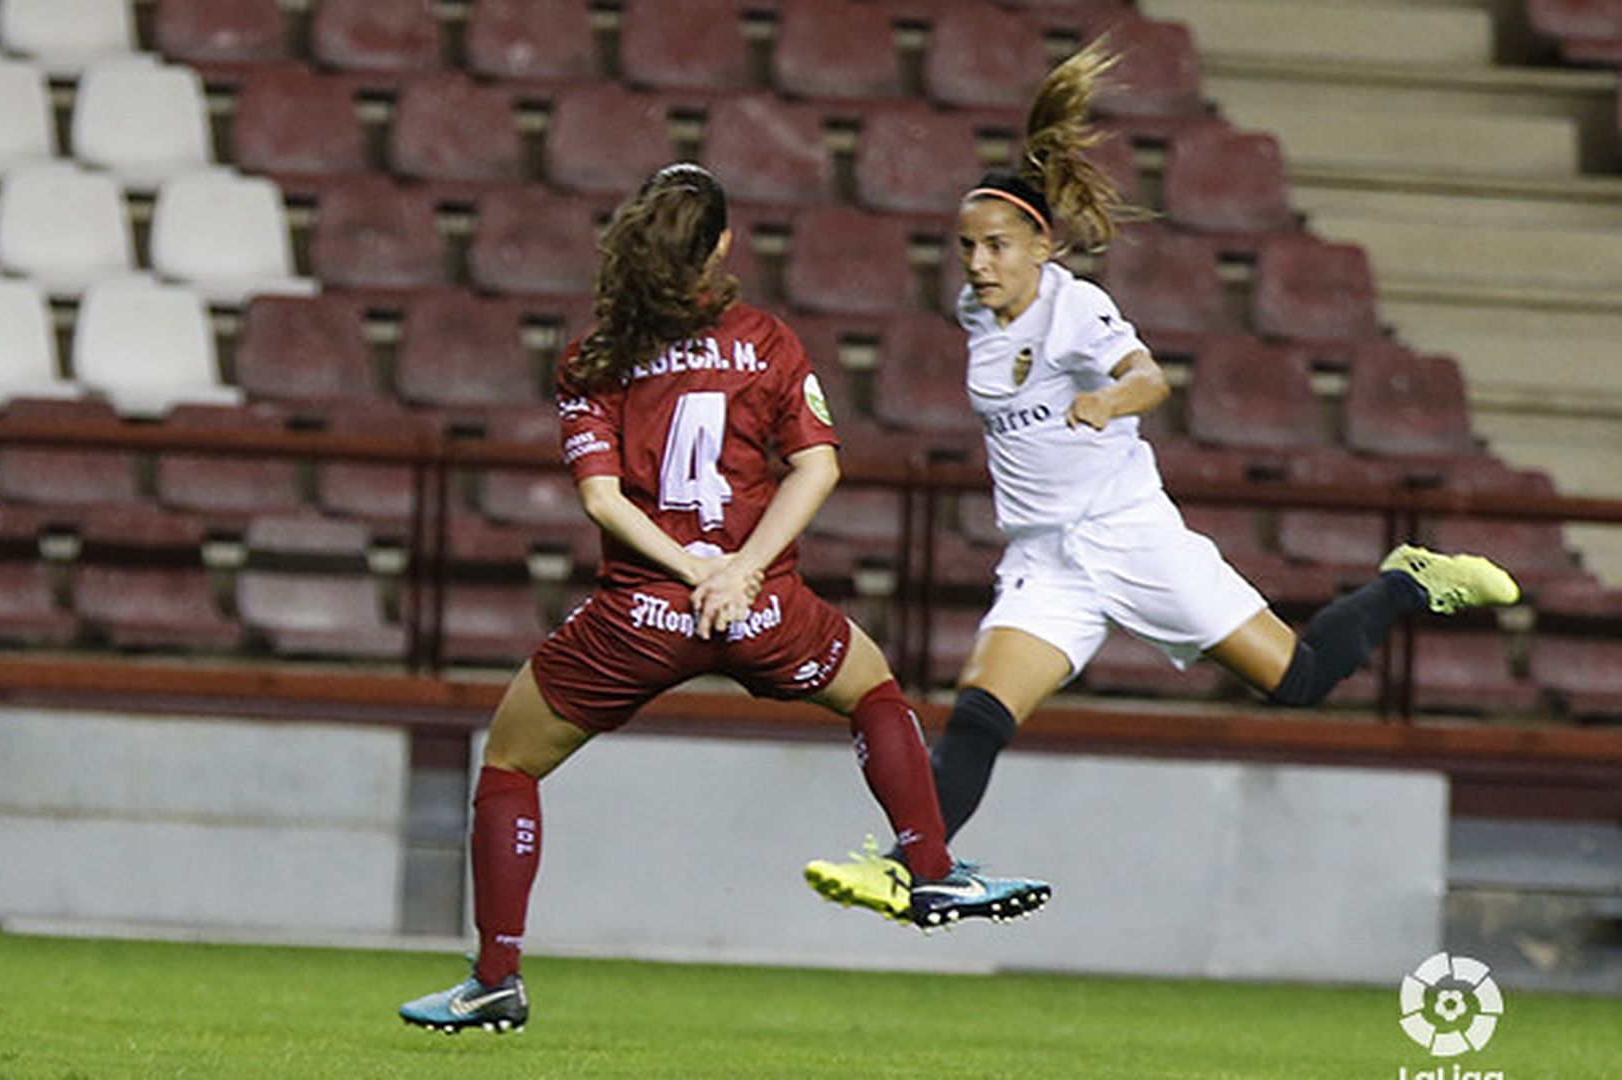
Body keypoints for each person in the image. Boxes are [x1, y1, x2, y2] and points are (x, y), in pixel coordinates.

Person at [803, 41, 1521, 924]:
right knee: (982, 711)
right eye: (967, 249)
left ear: (1043, 246)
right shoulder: (975, 309)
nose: (978, 264)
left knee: (1296, 679)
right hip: (1047, 560)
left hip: (1131, 533)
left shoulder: (1076, 309)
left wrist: (1109, 402)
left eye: (995, 247)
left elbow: (1152, 378)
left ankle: (1408, 581)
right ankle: (910, 870)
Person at [398, 163, 1029, 1035]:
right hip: (763, 608)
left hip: (641, 614)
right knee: (873, 687)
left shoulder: (597, 356)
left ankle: (496, 976)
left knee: (509, 763)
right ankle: (931, 868)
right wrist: (740, 573)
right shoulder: (766, 340)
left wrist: (693, 574)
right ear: (724, 244)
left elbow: (601, 498)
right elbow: (820, 465)